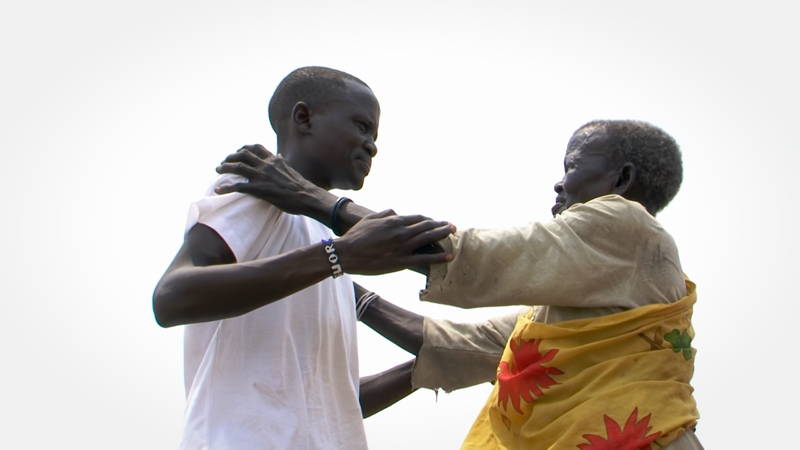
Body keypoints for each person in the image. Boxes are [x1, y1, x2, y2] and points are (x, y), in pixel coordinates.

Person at [216, 119, 703, 449]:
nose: (559, 183)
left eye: (572, 167)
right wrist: (343, 286)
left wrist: (311, 199)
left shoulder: (624, 223)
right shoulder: (576, 305)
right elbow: (470, 349)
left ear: (621, 178)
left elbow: (466, 254)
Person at [152, 66, 455, 450]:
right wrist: (339, 256)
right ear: (303, 118)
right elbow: (171, 297)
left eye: (375, 135)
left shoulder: (320, 238)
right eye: (362, 126)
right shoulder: (254, 191)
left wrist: (425, 370)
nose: (372, 145)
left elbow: (332, 403)